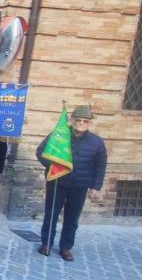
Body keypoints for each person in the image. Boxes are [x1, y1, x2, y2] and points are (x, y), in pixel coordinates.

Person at [36, 105, 107, 261]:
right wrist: (52, 166)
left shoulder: (97, 142)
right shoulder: (58, 135)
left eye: (85, 121)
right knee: (51, 215)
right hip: (57, 183)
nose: (81, 123)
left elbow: (100, 166)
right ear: (72, 120)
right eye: (78, 120)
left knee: (72, 219)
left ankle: (65, 247)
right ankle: (46, 243)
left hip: (80, 186)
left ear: (89, 123)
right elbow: (41, 151)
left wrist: (95, 186)